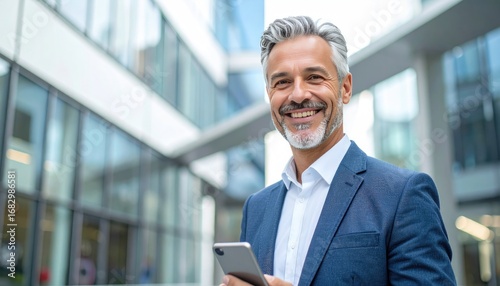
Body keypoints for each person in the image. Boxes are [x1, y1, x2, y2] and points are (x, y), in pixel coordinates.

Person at [220, 15, 456, 286]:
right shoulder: (256, 208)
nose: (297, 95)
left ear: (345, 88)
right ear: (269, 95)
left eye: (314, 77)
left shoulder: (403, 195)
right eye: (282, 82)